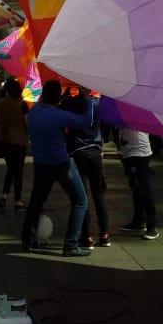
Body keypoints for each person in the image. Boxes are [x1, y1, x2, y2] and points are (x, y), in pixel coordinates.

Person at [20, 80, 95, 257]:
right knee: (80, 201)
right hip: (62, 164)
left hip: (41, 164)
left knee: (36, 203)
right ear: (57, 96)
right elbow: (86, 121)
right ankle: (70, 244)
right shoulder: (59, 115)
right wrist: (87, 97)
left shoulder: (34, 114)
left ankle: (27, 240)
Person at [62, 86, 111, 248]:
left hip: (78, 152)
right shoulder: (98, 103)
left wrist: (68, 90)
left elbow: (59, 106)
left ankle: (87, 236)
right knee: (99, 195)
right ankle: (105, 234)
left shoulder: (71, 102)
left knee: (82, 197)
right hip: (96, 152)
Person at [0, 78, 28, 212]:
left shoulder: (0, 103)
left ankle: (4, 196)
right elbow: (27, 122)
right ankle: (17, 201)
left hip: (4, 140)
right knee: (18, 171)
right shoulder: (22, 104)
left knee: (11, 169)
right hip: (19, 141)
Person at [119, 129, 160, 240]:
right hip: (128, 151)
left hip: (140, 151)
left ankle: (152, 225)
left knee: (145, 189)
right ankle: (138, 220)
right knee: (135, 187)